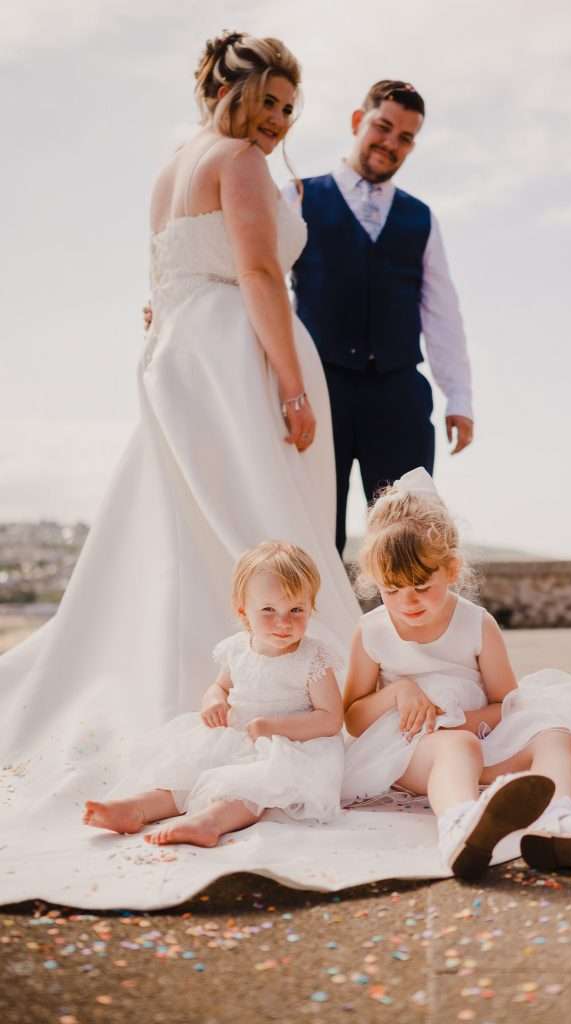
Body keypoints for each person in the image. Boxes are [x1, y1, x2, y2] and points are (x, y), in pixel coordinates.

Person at [0, 31, 359, 857]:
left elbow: (160, 283)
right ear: (232, 93)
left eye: (288, 108)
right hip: (235, 358)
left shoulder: (171, 166)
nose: (276, 120)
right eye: (267, 100)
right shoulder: (236, 163)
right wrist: (294, 386)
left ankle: (209, 690)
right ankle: (284, 691)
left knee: (188, 521)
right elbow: (262, 275)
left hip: (178, 355)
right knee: (264, 518)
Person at [341, 468, 571, 879]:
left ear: (451, 569)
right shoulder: (373, 632)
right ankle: (460, 826)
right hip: (411, 750)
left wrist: (469, 722)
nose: (407, 601)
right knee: (457, 748)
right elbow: (353, 717)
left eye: (420, 584)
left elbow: (506, 703)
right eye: (391, 589)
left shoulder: (476, 624)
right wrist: (398, 695)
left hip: (482, 738)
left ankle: (559, 821)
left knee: (556, 732)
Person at [284, 81, 474, 554]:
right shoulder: (298, 196)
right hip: (318, 386)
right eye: (383, 127)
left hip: (397, 393)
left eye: (406, 137)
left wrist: (459, 396)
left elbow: (442, 310)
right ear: (356, 121)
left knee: (408, 537)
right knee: (312, 530)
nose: (392, 143)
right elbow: (255, 279)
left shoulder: (420, 218)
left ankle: (406, 630)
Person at [83, 542, 345, 846]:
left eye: (296, 610)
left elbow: (330, 719)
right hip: (236, 735)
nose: (283, 622)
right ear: (243, 610)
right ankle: (138, 808)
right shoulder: (237, 649)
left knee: (250, 787)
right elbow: (220, 686)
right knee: (188, 773)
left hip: (291, 746)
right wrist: (214, 701)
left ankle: (209, 822)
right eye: (269, 610)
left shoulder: (312, 658)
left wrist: (273, 727)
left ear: (311, 606)